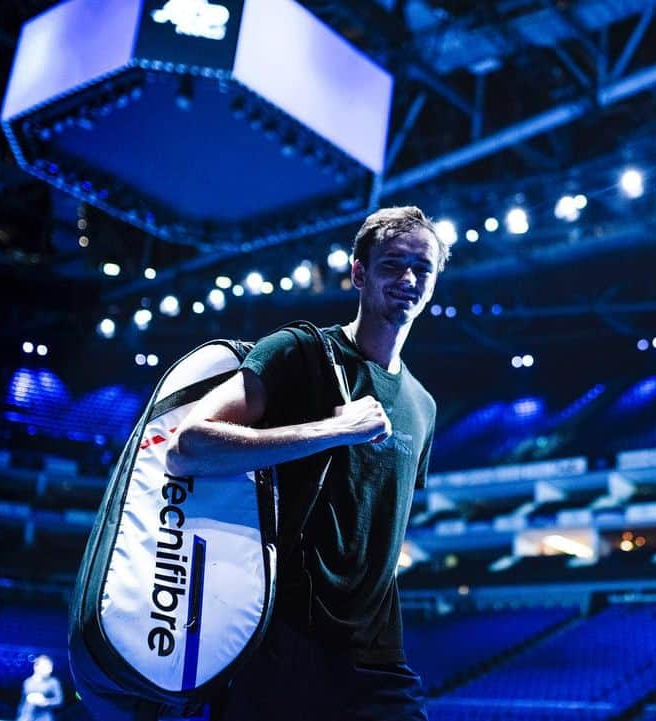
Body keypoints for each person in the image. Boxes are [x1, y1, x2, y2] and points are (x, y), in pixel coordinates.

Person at [166, 206, 449, 721]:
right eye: (392, 264)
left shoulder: (422, 405)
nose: (409, 278)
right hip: (278, 640)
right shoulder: (299, 352)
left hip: (375, 654)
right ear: (359, 272)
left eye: (423, 268)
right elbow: (189, 447)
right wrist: (334, 430)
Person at [16, 655, 63, 721]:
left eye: (50, 667)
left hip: (43, 717)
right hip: (26, 716)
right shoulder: (27, 682)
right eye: (46, 667)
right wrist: (20, 716)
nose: (50, 670)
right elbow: (23, 702)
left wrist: (45, 702)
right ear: (36, 667)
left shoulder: (53, 682)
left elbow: (59, 700)